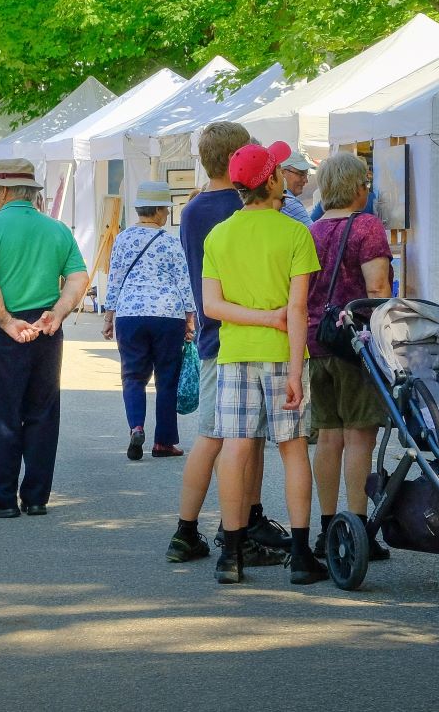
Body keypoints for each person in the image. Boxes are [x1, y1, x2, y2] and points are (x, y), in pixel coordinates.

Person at [200, 140, 328, 585]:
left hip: (235, 354)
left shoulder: (219, 235)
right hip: (282, 354)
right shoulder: (295, 233)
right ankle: (301, 555)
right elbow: (298, 309)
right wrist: (294, 369)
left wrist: (257, 318)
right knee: (293, 450)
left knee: (235, 448)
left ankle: (231, 554)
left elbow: (212, 306)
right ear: (272, 180)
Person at [167, 121, 289, 567]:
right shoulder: (244, 209)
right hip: (247, 332)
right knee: (235, 438)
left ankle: (199, 528)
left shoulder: (194, 209)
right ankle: (233, 526)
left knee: (220, 436)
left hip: (211, 329)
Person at [0, 158, 87, 519]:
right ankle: (35, 496)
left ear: (3, 191)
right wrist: (58, 312)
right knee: (42, 413)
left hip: (6, 327)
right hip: (47, 326)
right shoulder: (56, 228)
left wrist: (4, 320)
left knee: (0, 413)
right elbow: (78, 277)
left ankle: (1, 496)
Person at [305, 153, 393, 562]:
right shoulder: (367, 226)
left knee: (328, 436)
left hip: (317, 341)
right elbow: (377, 288)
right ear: (358, 187)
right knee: (359, 435)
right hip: (356, 342)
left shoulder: (311, 230)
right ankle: (357, 530)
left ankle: (328, 528)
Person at [101, 181, 192, 460]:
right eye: (166, 209)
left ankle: (136, 427)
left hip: (130, 313)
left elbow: (115, 279)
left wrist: (109, 316)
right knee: (167, 379)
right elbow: (183, 280)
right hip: (168, 315)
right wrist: (190, 317)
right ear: (160, 210)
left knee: (132, 376)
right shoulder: (170, 241)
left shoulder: (123, 239)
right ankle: (163, 442)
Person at [279, 150, 313, 224]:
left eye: (306, 175)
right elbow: (314, 230)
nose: (306, 180)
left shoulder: (276, 200)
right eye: (301, 174)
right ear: (282, 173)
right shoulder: (288, 202)